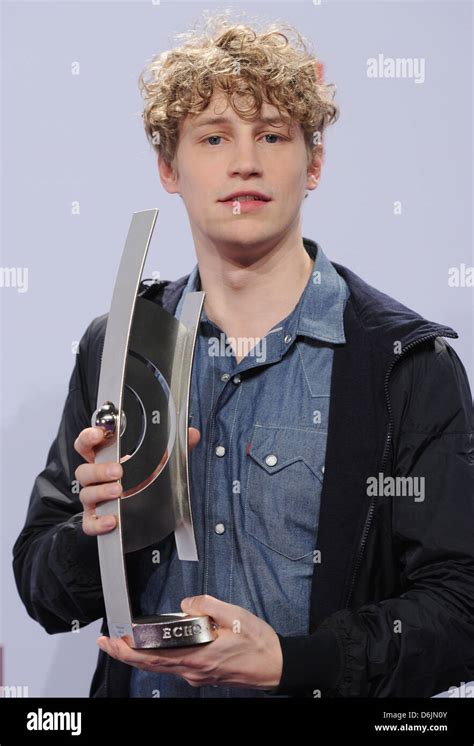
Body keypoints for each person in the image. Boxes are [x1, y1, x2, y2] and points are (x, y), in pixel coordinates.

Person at [13, 14, 474, 698]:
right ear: (170, 169)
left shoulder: (403, 363)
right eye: (214, 137)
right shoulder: (116, 349)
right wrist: (96, 530)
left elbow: (461, 610)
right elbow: (45, 593)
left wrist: (297, 662)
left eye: (272, 135)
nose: (244, 162)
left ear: (314, 162)